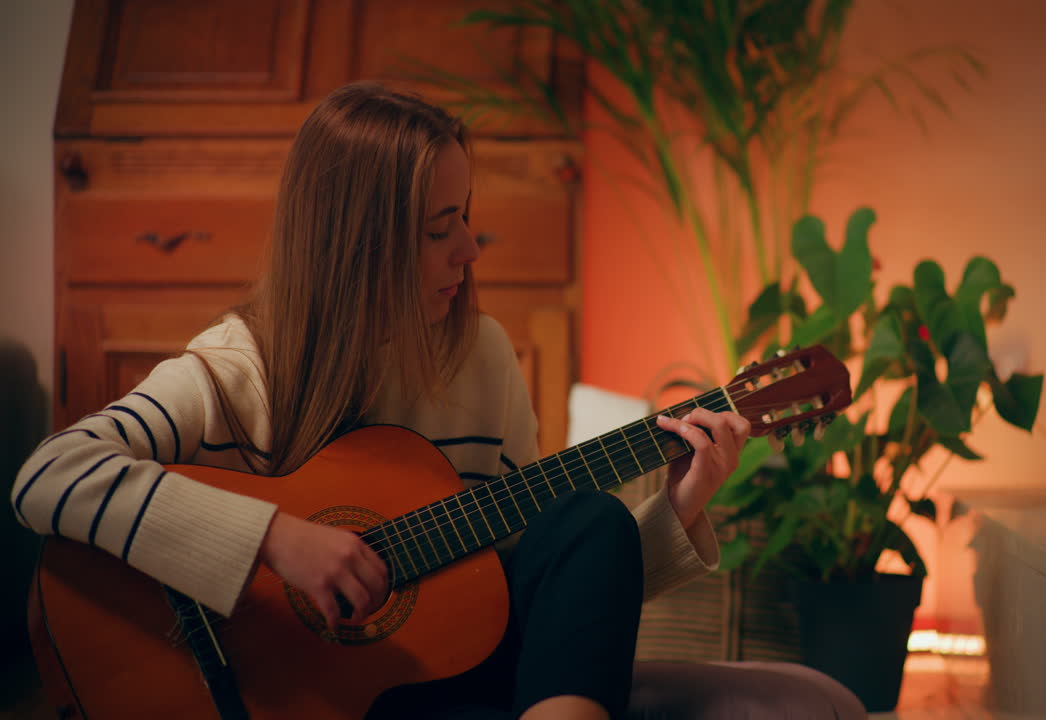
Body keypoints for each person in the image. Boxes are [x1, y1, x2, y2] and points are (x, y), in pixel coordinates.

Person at [12, 82, 751, 720]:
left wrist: (676, 513)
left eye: (466, 215)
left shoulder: (480, 356)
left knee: (586, 519)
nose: (469, 249)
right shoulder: (237, 368)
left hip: (440, 678)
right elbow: (48, 476)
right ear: (355, 245)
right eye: (439, 228)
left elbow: (526, 593)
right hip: (299, 698)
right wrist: (277, 540)